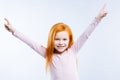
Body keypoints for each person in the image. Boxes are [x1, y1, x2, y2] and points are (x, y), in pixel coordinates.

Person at [4, 4, 107, 80]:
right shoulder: (49, 54)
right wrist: (14, 31)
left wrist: (97, 18)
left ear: (69, 40)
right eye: (57, 39)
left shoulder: (73, 50)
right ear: (51, 40)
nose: (61, 42)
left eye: (64, 39)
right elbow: (31, 43)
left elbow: (86, 35)